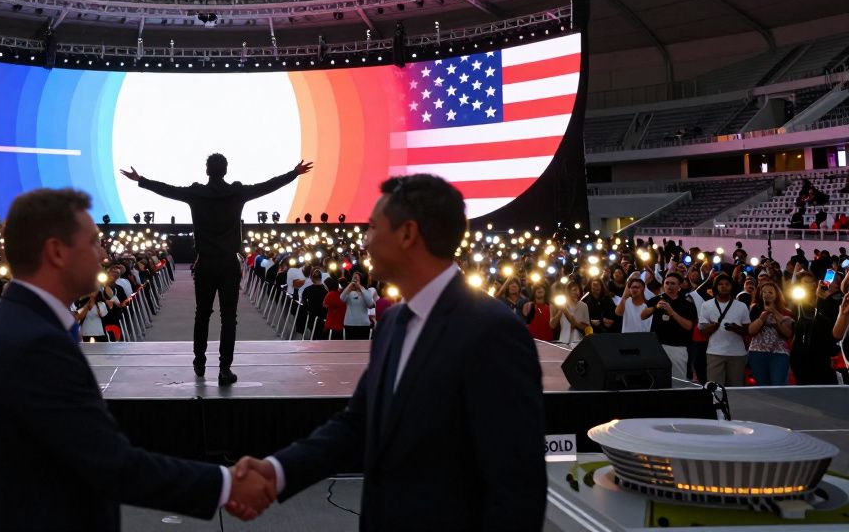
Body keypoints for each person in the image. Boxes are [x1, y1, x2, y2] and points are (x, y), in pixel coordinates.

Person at [228, 174, 546, 530]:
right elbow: (358, 424)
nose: (366, 241)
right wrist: (278, 470)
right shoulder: (394, 323)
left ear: (408, 234)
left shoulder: (493, 332)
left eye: (373, 228)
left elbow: (517, 486)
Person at [0, 187, 276, 531]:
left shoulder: (20, 324)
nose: (103, 252)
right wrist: (226, 485)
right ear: (56, 252)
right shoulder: (32, 343)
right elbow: (110, 462)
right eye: (94, 241)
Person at [121, 156, 313, 384]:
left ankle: (199, 361)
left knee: (202, 314)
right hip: (228, 265)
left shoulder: (196, 193)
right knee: (228, 318)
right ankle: (224, 369)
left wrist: (140, 180)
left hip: (205, 264)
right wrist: (294, 173)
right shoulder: (237, 193)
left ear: (207, 170)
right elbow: (267, 186)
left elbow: (167, 190)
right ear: (226, 170)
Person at [642, 272, 697, 381]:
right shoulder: (656, 299)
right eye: (667, 283)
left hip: (677, 348)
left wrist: (672, 312)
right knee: (656, 379)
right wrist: (655, 307)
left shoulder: (687, 303)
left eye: (672, 283)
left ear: (679, 286)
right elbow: (642, 316)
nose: (669, 286)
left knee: (677, 380)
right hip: (657, 346)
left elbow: (689, 326)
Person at [697, 272, 748, 387]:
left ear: (731, 287)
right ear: (715, 287)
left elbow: (748, 330)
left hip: (737, 353)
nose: (723, 286)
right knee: (715, 388)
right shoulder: (706, 305)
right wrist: (712, 327)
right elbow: (702, 331)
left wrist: (736, 328)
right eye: (720, 284)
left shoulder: (741, 306)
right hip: (714, 352)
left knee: (736, 388)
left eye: (727, 284)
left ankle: (734, 406)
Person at [747, 283, 794, 386]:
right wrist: (763, 317)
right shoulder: (755, 308)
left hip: (779, 353)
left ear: (776, 295)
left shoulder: (786, 312)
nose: (767, 294)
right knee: (763, 386)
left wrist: (774, 312)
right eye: (764, 292)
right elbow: (751, 331)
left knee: (778, 384)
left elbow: (788, 333)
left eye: (770, 292)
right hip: (757, 352)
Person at [341, 272, 376, 339]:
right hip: (350, 324)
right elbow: (342, 298)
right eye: (353, 278)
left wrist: (360, 287)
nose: (355, 279)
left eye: (357, 278)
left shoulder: (366, 291)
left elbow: (370, 303)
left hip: (363, 324)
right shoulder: (348, 292)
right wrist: (350, 285)